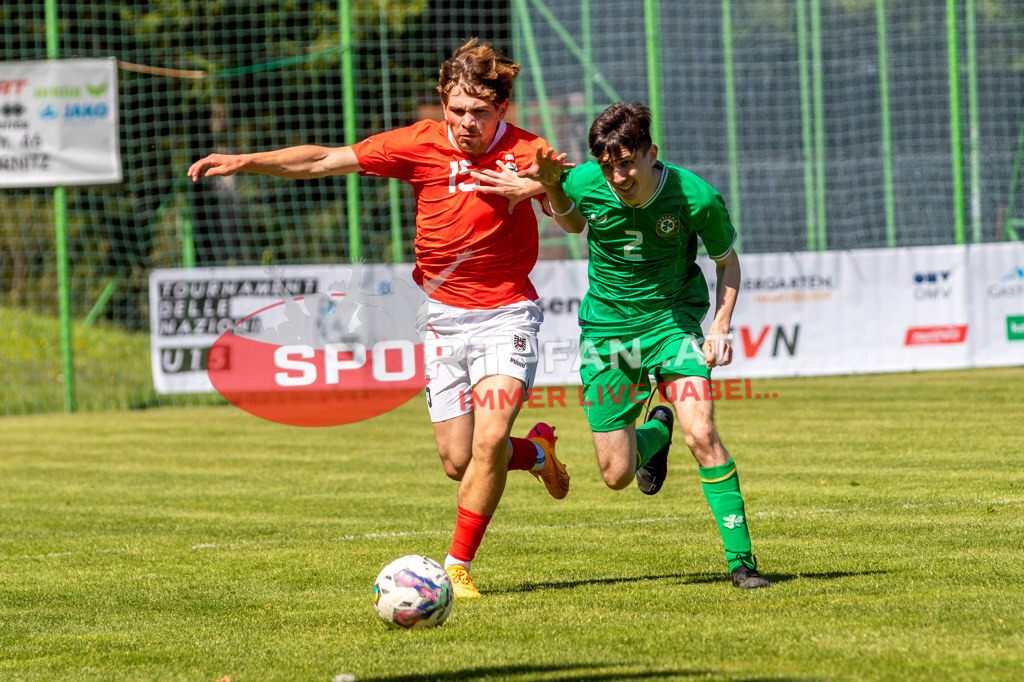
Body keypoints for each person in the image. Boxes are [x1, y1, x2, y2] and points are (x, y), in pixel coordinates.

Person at [188, 38, 571, 598]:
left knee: (488, 440)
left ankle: (457, 567)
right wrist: (250, 161)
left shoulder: (529, 152)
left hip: (507, 315)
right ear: (443, 102)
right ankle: (537, 452)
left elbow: (575, 220)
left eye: (479, 113)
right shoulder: (418, 144)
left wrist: (548, 186)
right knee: (457, 458)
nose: (466, 122)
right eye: (456, 109)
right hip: (441, 318)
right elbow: (325, 159)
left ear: (502, 111)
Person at [525, 101, 770, 589]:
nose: (617, 175)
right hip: (608, 332)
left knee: (701, 432)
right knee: (616, 474)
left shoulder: (695, 197)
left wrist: (720, 324)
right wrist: (549, 182)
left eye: (626, 162)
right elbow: (572, 223)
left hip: (671, 322)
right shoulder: (587, 182)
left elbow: (728, 263)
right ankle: (657, 432)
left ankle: (742, 564)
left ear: (651, 152)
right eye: (608, 165)